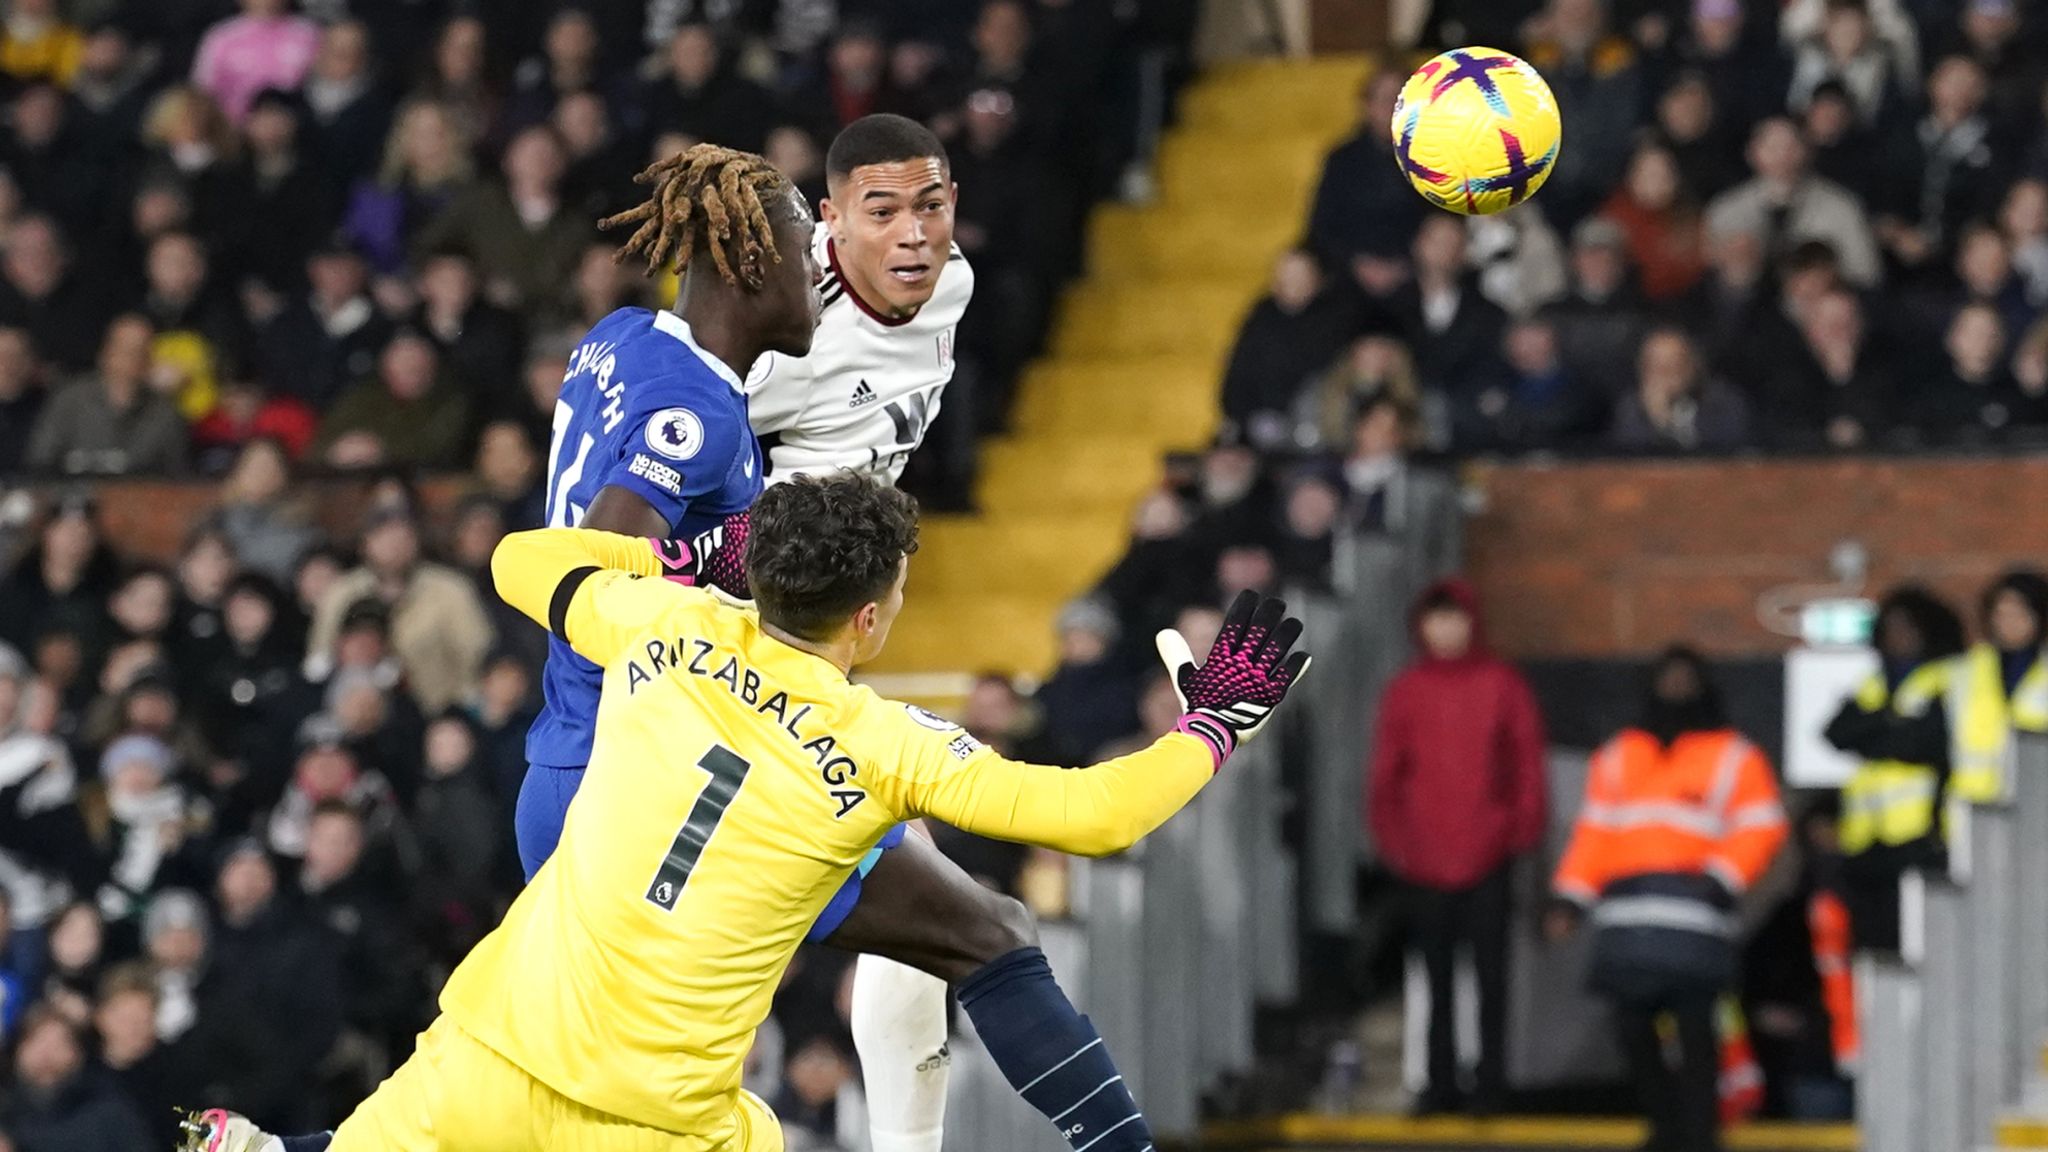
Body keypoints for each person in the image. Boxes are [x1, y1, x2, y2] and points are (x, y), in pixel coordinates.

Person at [185, 474, 1311, 1152]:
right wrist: (1212, 725)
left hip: (489, 1054)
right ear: (868, 623)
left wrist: (682, 557)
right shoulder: (884, 745)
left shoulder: (655, 627)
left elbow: (520, 558)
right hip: (661, 1121)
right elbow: (1097, 815)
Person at [1547, 647, 1789, 1152]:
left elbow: (1761, 825)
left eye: (1686, 679)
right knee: (1632, 1030)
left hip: (1694, 921)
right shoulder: (1618, 755)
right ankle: (1668, 1127)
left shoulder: (1733, 755)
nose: (1677, 688)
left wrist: (1722, 878)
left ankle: (1699, 1134)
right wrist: (1569, 899)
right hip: (1628, 921)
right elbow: (1593, 833)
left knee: (1698, 1034)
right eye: (1668, 678)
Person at [1368, 579, 1547, 1116]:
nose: (1446, 630)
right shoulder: (1407, 690)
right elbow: (1386, 775)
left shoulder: (1502, 685)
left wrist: (1517, 831)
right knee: (1436, 978)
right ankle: (1440, 1082)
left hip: (1488, 855)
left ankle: (1491, 1083)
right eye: (1436, 619)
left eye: (1454, 619)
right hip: (1425, 859)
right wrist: (1398, 843)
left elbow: (1526, 765)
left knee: (1492, 978)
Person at [1823, 586, 1966, 950]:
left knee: (1921, 941)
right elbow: (1837, 732)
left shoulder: (1946, 677)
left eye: (1908, 628)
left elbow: (1928, 742)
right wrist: (1892, 725)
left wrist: (1877, 732)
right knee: (1873, 943)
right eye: (1890, 628)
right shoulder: (1875, 682)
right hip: (1869, 839)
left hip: (1921, 834)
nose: (1897, 638)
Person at [1947, 570, 2048, 804]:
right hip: (1976, 806)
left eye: (2019, 613)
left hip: (2038, 806)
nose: (2009, 623)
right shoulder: (1964, 671)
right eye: (2001, 613)